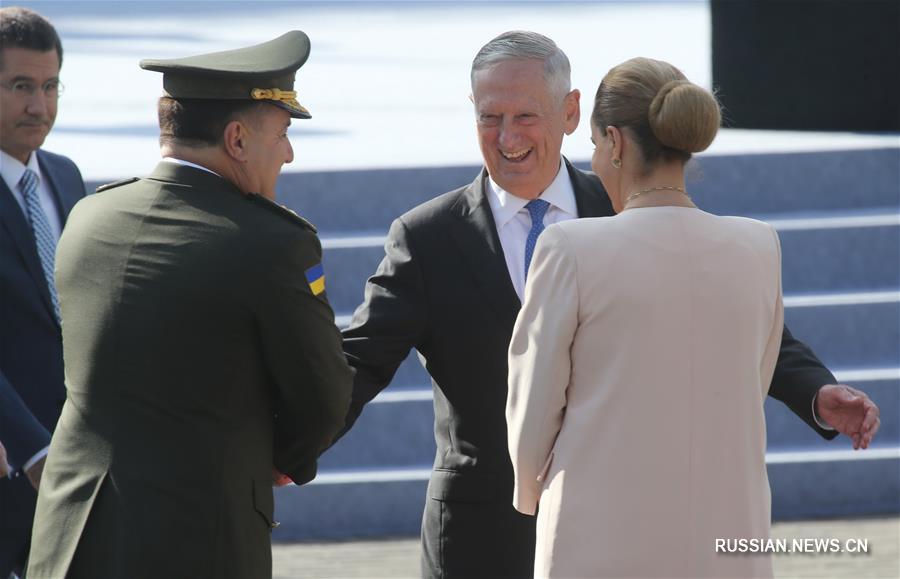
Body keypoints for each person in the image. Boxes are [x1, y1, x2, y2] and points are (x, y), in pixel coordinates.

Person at [339, 32, 879, 578]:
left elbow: (731, 317)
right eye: (489, 117)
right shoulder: (427, 235)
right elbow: (362, 357)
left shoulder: (629, 209)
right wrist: (288, 443)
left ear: (571, 112)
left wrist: (814, 390)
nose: (506, 137)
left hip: (614, 530)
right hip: (480, 536)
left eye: (525, 115)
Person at [505, 57, 881, 578]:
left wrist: (529, 493)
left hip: (597, 534)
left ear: (614, 142)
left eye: (594, 145)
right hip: (728, 539)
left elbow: (535, 400)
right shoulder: (757, 245)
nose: (594, 161)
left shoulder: (568, 247)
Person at [26, 31, 354, 579]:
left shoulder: (87, 216)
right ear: (237, 139)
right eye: (282, 133)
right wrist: (281, 456)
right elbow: (323, 394)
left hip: (74, 534)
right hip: (199, 538)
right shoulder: (271, 244)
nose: (290, 153)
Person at [0, 7, 86, 577]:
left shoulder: (67, 176)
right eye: (21, 86)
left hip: (81, 459)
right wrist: (31, 447)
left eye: (51, 86)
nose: (40, 106)